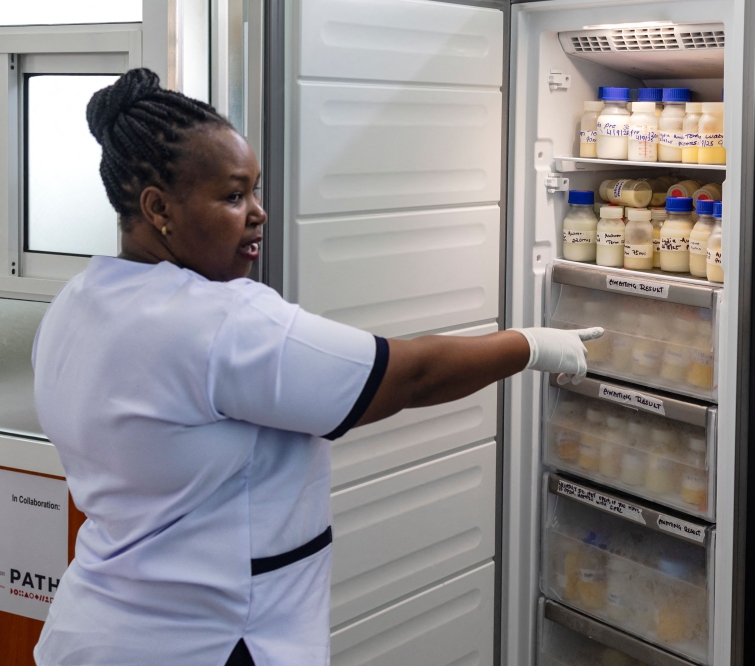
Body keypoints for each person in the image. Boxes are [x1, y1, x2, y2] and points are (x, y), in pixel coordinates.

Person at [31, 68, 602, 666]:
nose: (258, 213)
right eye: (232, 196)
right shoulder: (220, 321)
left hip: (94, 627)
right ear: (158, 209)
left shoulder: (77, 304)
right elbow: (409, 375)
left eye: (255, 190)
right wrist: (530, 345)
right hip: (206, 640)